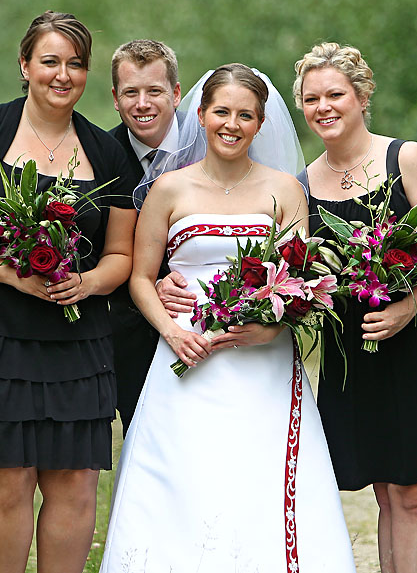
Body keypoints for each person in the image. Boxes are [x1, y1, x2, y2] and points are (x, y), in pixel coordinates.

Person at [99, 63, 355, 572]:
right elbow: (141, 278)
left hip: (265, 362)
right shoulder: (168, 190)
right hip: (185, 358)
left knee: (257, 477)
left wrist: (273, 327)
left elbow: (299, 279)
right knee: (185, 478)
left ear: (261, 124)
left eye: (245, 115)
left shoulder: (285, 190)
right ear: (200, 113)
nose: (231, 124)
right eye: (221, 112)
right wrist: (172, 331)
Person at [0, 11, 136, 573]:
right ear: (24, 65)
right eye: (49, 61)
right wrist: (12, 274)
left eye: (75, 64)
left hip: (77, 339)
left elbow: (121, 256)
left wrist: (86, 283)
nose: (62, 75)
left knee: (75, 482)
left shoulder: (108, 153)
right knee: (9, 481)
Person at [294, 42, 417, 573]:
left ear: (362, 96)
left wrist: (407, 307)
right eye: (312, 98)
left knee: (411, 492)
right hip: (351, 351)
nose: (325, 107)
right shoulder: (302, 183)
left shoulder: (404, 158)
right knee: (383, 494)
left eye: (335, 94)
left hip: (413, 339)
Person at [107, 39, 182, 434]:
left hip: (207, 324)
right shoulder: (99, 154)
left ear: (175, 93)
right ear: (115, 98)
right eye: (130, 93)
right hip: (129, 338)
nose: (142, 104)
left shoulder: (212, 144)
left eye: (154, 91)